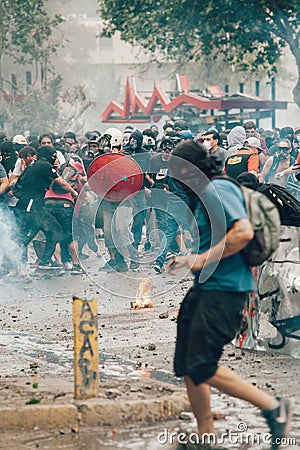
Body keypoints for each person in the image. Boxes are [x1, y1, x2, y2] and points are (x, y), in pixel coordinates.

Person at [166, 140, 293, 450]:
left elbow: (243, 232)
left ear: (191, 168)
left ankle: (273, 408)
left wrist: (200, 259)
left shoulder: (218, 189)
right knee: (186, 364)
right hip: (205, 289)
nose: (174, 178)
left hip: (226, 291)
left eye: (178, 171)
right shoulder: (202, 196)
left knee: (201, 366)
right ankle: (205, 435)